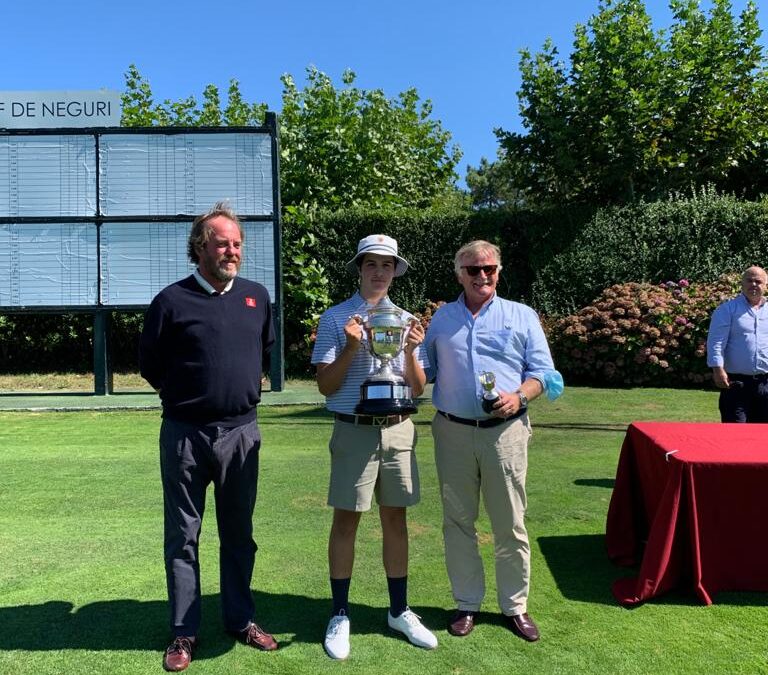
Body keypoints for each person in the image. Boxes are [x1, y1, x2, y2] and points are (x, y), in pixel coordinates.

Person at [139, 202, 277, 672]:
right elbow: (150, 366)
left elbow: (262, 353)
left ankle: (240, 619)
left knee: (240, 534)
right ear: (200, 247)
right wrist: (189, 400)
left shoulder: (257, 297)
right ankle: (183, 632)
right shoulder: (170, 301)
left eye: (237, 243)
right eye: (223, 242)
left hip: (242, 434)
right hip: (185, 436)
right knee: (183, 537)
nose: (232, 250)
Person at [311, 234, 438, 660]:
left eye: (387, 265)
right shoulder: (335, 318)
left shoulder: (405, 320)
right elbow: (326, 386)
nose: (379, 272)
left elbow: (417, 389)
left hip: (399, 429)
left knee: (396, 521)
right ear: (360, 268)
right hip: (354, 429)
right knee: (346, 521)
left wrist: (413, 352)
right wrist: (350, 347)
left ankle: (399, 610)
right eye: (372, 264)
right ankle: (340, 613)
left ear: (395, 271)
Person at [423, 240, 555, 643]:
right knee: (458, 522)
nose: (483, 276)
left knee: (509, 524)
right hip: (453, 432)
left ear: (499, 271)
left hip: (506, 434)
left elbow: (546, 374)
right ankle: (467, 604)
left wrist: (520, 396)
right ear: (458, 273)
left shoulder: (522, 315)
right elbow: (424, 371)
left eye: (490, 269)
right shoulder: (441, 320)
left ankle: (515, 606)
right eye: (473, 270)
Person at [706, 265, 768, 422]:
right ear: (742, 284)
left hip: (766, 383)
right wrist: (717, 370)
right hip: (736, 383)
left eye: (758, 281)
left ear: (765, 285)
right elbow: (716, 342)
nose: (753, 284)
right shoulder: (727, 310)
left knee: (763, 436)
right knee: (735, 433)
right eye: (749, 280)